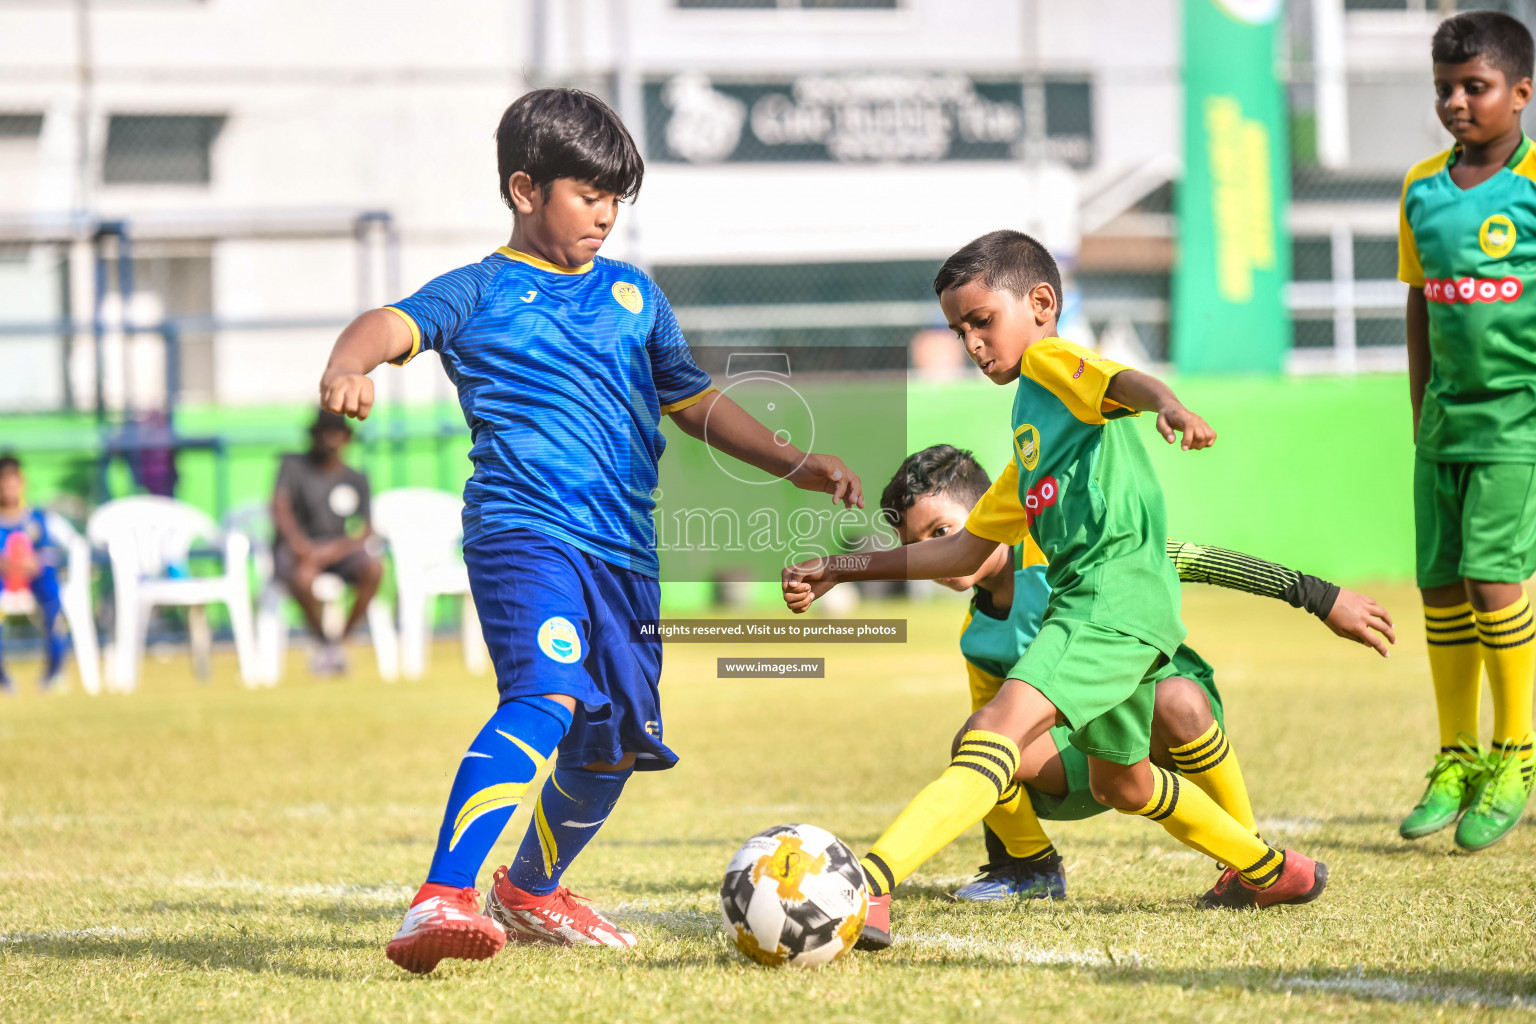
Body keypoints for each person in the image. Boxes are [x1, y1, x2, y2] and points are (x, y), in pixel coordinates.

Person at [318, 88, 863, 974]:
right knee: (545, 695)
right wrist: (349, 365)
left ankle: (530, 892)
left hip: (625, 553)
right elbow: (389, 324)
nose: (606, 214)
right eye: (588, 194)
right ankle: (441, 897)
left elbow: (692, 400)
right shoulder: (479, 290)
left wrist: (794, 462)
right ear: (526, 190)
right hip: (525, 532)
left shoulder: (634, 295)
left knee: (614, 742)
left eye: (617, 198)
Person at [785, 229, 1334, 950]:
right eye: (959, 330)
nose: (972, 343)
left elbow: (1120, 381)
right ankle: (1269, 870)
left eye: (981, 321)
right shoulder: (1028, 430)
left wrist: (1166, 403)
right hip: (1110, 610)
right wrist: (843, 569)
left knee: (991, 735)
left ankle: (868, 887)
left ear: (1041, 303)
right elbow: (965, 546)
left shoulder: (1050, 363)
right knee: (1122, 785)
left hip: (1104, 601)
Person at [877, 444, 1395, 905]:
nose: (931, 555)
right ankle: (1032, 869)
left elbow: (1198, 560)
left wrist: (1319, 597)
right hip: (1079, 759)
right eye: (915, 545)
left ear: (990, 512)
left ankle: (1248, 859)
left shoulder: (1065, 548)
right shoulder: (976, 634)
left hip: (1152, 721)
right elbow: (987, 747)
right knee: (978, 734)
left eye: (941, 533)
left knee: (1178, 700)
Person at [1399, 10, 1536, 851]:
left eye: (1474, 87)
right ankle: (1456, 757)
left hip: (1515, 420)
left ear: (1521, 92)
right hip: (1442, 424)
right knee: (1442, 585)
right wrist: (1418, 411)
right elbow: (1419, 301)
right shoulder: (1420, 186)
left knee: (1493, 580)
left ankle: (1515, 753)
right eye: (1445, 88)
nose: (1456, 102)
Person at [271, 409, 383, 676]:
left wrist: (332, 551)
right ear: (314, 436)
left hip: (338, 552)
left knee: (374, 569)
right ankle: (322, 640)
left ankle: (340, 640)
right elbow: (280, 508)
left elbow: (366, 531)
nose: (331, 440)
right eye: (325, 433)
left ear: (347, 437)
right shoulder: (293, 467)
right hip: (299, 551)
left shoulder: (356, 478)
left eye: (337, 433)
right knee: (303, 577)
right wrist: (300, 546)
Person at [0, 455, 67, 692]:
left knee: (50, 590)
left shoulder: (35, 519)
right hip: (5, 582)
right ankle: (3, 679)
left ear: (22, 482)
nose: (10, 488)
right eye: (4, 483)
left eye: (13, 482)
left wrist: (32, 562)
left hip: (33, 580)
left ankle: (55, 671)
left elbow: (47, 554)